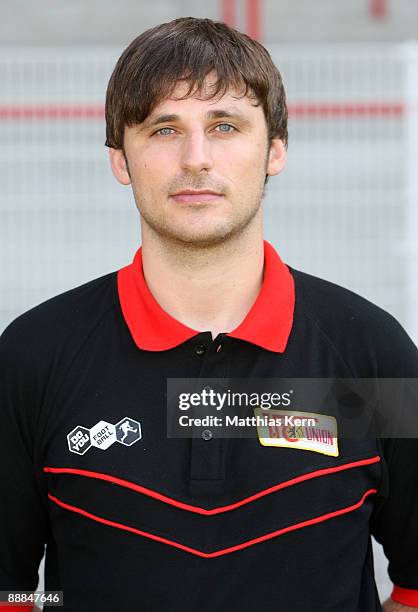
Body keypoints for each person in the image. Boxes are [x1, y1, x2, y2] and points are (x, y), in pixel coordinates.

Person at [0, 16, 417, 612]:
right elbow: (9, 591)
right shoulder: (32, 357)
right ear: (121, 158)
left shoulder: (372, 354)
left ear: (274, 151)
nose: (196, 158)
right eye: (164, 129)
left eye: (224, 126)